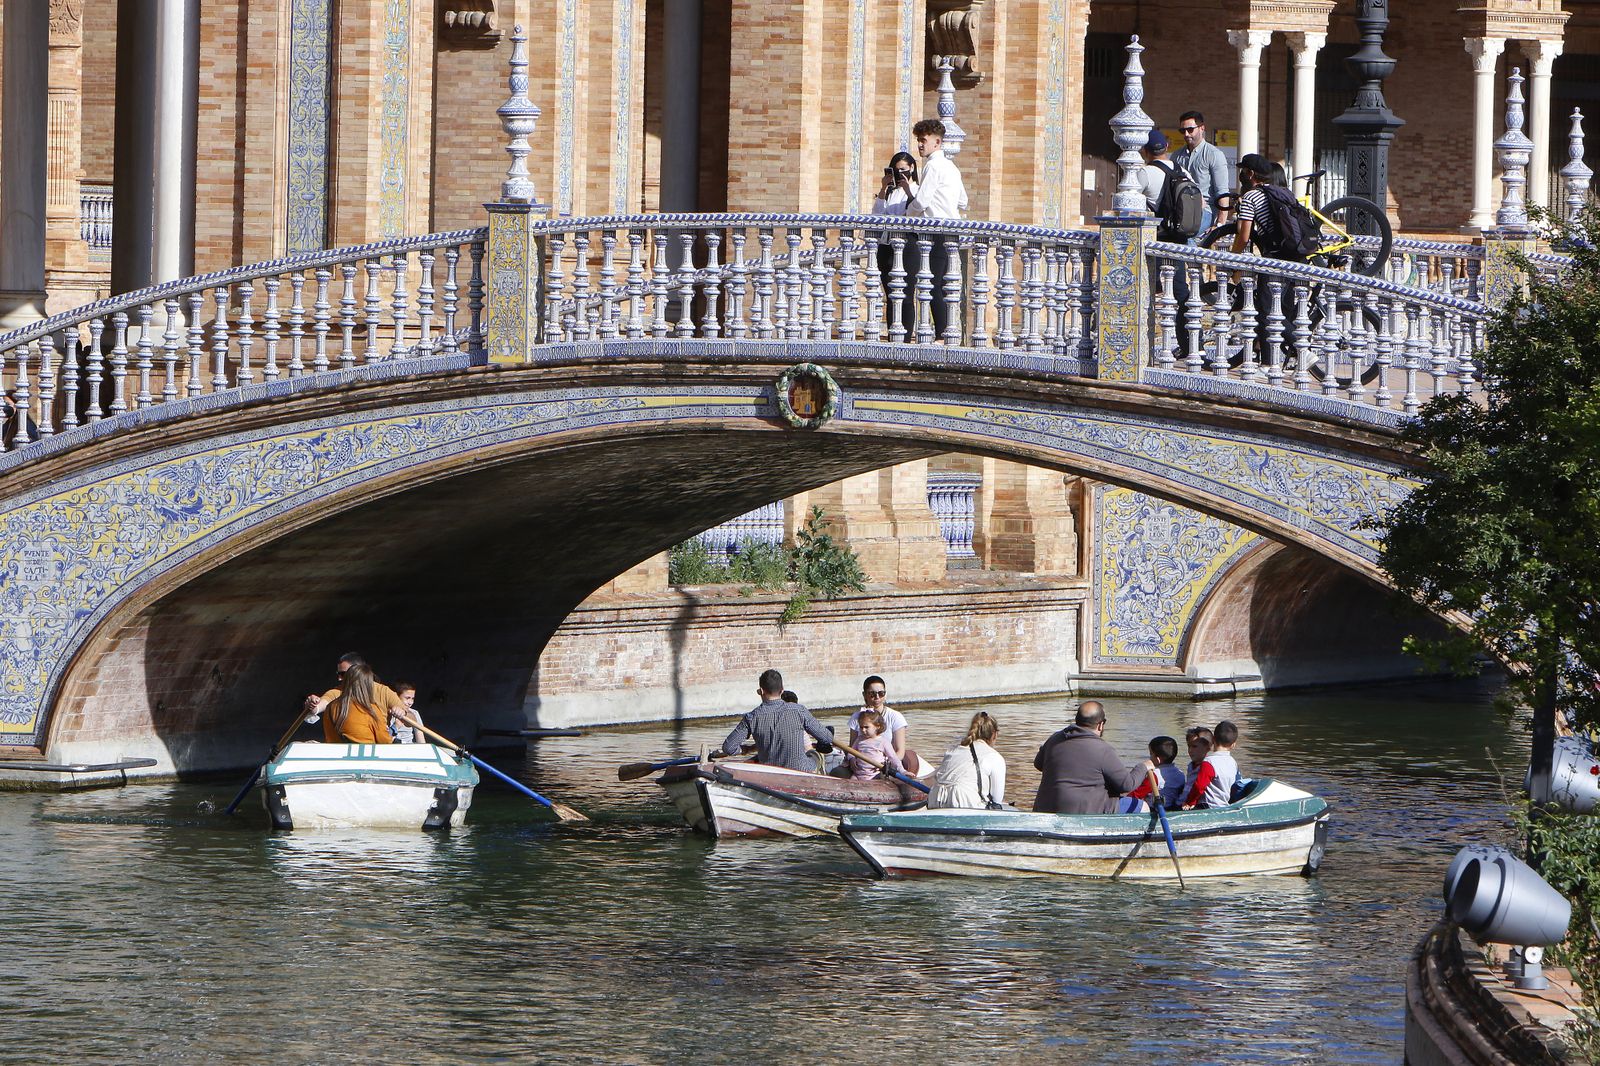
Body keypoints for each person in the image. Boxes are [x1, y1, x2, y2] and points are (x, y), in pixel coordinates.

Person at [1032, 701, 1155, 815]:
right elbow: (1127, 784)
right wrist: (1143, 766)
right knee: (1141, 806)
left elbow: (1038, 764)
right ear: (1100, 725)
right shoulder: (1103, 749)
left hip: (1044, 809)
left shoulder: (1054, 739)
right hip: (1084, 813)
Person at [905, 119, 967, 340]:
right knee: (942, 283)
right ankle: (946, 331)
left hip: (937, 230)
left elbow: (921, 202)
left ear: (937, 142)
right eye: (919, 141)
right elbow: (963, 201)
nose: (920, 145)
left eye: (924, 140)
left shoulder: (932, 165)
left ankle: (942, 333)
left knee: (932, 284)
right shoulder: (952, 167)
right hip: (952, 230)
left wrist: (907, 214)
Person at [721, 669, 835, 772]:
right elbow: (827, 738)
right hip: (801, 770)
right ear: (782, 691)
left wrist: (748, 749)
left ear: (761, 691)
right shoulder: (799, 711)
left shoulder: (751, 717)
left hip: (770, 772)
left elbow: (728, 748)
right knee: (815, 756)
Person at [872, 150, 922, 338]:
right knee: (891, 295)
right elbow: (877, 215)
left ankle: (906, 338)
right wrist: (884, 189)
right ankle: (893, 335)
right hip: (886, 246)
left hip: (908, 246)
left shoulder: (917, 189)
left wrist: (908, 188)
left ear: (912, 169)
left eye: (903, 170)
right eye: (896, 170)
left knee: (906, 294)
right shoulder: (891, 193)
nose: (900, 174)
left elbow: (916, 212)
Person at [1171, 110, 1232, 238]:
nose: (1186, 134)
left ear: (1202, 128)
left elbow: (1222, 192)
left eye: (1190, 129)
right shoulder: (1176, 156)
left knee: (1187, 235)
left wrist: (1219, 225)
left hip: (1205, 212)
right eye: (1183, 131)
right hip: (1180, 210)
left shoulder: (1214, 155)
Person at [928, 712, 1006, 809]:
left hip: (935, 799)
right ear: (994, 734)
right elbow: (997, 800)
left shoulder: (953, 750)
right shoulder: (994, 757)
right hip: (963, 803)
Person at [847, 675, 918, 774]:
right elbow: (852, 748)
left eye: (881, 693)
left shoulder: (895, 717)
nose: (877, 697)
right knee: (838, 772)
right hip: (861, 766)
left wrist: (884, 765)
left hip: (885, 766)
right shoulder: (856, 717)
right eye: (872, 694)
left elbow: (900, 752)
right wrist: (852, 760)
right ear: (864, 695)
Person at [319, 663, 397, 745]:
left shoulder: (331, 707)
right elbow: (384, 741)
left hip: (341, 755)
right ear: (368, 685)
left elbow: (331, 740)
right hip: (368, 755)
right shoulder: (371, 710)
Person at [1178, 724, 1238, 809]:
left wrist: (1189, 802)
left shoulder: (1209, 763)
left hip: (1207, 806)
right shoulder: (1233, 762)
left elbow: (1199, 786)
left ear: (1213, 740)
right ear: (1233, 745)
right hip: (1223, 805)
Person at [1122, 735, 1185, 811]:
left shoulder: (1153, 775)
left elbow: (1137, 795)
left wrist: (1123, 799)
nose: (1149, 757)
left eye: (1151, 754)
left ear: (1158, 759)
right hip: (1171, 808)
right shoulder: (1180, 774)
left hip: (1153, 809)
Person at [846, 710, 905, 781]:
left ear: (877, 726)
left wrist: (902, 771)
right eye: (861, 727)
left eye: (866, 727)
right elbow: (851, 752)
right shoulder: (859, 739)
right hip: (858, 774)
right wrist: (852, 759)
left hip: (875, 775)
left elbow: (893, 758)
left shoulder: (883, 742)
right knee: (850, 783)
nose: (863, 730)